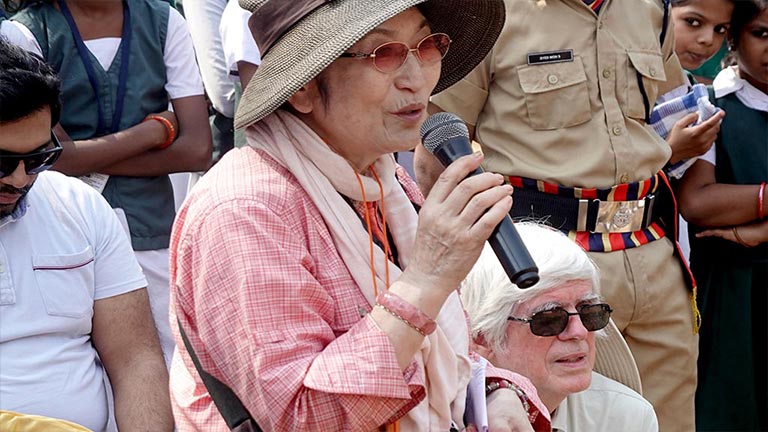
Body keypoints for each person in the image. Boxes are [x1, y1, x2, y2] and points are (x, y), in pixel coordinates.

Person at [169, 0, 553, 430]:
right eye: (383, 54)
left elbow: (440, 343)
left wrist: (492, 391)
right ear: (304, 88)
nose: (416, 80)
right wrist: (427, 279)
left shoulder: (386, 182)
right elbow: (302, 417)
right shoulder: (245, 210)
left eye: (427, 45)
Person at [414, 0, 699, 429]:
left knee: (667, 421)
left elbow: (662, 117)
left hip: (652, 255)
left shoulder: (649, 8)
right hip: (540, 274)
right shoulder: (488, 12)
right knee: (557, 417)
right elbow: (438, 150)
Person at [1, 0, 212, 366]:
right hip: (61, 234)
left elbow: (196, 150)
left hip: (151, 231)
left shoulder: (164, 21)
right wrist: (155, 130)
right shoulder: (21, 33)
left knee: (166, 361)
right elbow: (50, 159)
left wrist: (80, 157)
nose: (24, 170)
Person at [0, 37, 172, 431]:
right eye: (3, 162)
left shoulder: (79, 206)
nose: (20, 178)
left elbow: (135, 360)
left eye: (39, 158)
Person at [462, 224, 658, 431]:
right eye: (550, 319)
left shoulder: (625, 417)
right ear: (482, 337)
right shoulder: (440, 416)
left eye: (588, 312)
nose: (579, 332)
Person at [678, 1, 768, 429]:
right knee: (731, 408)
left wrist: (754, 230)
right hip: (734, 291)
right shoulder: (710, 104)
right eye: (762, 34)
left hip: (747, 253)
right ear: (734, 38)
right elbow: (698, 202)